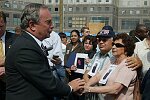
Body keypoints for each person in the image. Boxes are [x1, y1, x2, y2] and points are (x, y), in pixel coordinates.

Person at [5, 3, 85, 100]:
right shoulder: (25, 48)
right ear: (32, 25)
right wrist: (70, 87)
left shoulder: (29, 43)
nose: (52, 26)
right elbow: (46, 82)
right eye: (48, 22)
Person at [83, 33, 136, 100]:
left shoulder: (128, 65)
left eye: (118, 45)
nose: (113, 47)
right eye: (113, 44)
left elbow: (115, 89)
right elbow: (98, 76)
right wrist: (87, 85)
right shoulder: (112, 60)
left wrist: (89, 89)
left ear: (127, 49)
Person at [0, 11, 17, 100]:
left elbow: (20, 59)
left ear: (6, 24)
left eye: (1, 26)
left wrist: (7, 67)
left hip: (10, 86)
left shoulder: (16, 39)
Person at [64, 29, 84, 100]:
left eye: (75, 36)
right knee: (68, 90)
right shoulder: (68, 45)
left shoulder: (82, 46)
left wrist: (73, 68)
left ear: (78, 37)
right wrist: (66, 67)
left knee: (76, 91)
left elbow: (81, 60)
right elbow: (66, 57)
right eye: (72, 36)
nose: (73, 37)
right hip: (67, 71)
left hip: (76, 72)